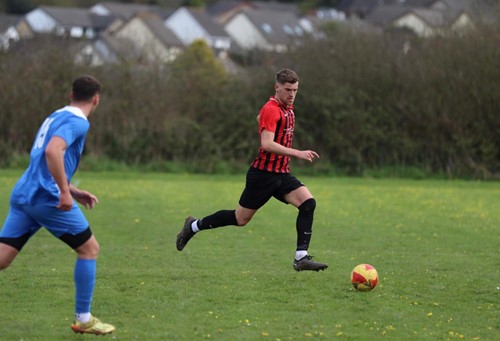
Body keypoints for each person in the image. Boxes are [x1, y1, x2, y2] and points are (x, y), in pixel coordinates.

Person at [176, 69, 328, 272]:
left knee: (308, 203)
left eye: (295, 90)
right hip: (263, 175)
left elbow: (260, 119)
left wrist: (265, 124)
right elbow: (266, 143)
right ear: (277, 87)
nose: (292, 94)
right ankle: (193, 226)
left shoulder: (287, 109)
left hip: (281, 173)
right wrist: (297, 152)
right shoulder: (272, 108)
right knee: (240, 219)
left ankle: (301, 258)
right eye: (287, 89)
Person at [0, 75, 115, 335]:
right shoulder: (78, 122)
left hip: (24, 194)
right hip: (46, 198)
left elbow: (42, 158)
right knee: (89, 249)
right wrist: (64, 191)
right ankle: (84, 319)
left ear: (70, 94)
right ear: (96, 99)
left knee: (3, 258)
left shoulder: (55, 115)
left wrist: (72, 190)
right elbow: (53, 151)